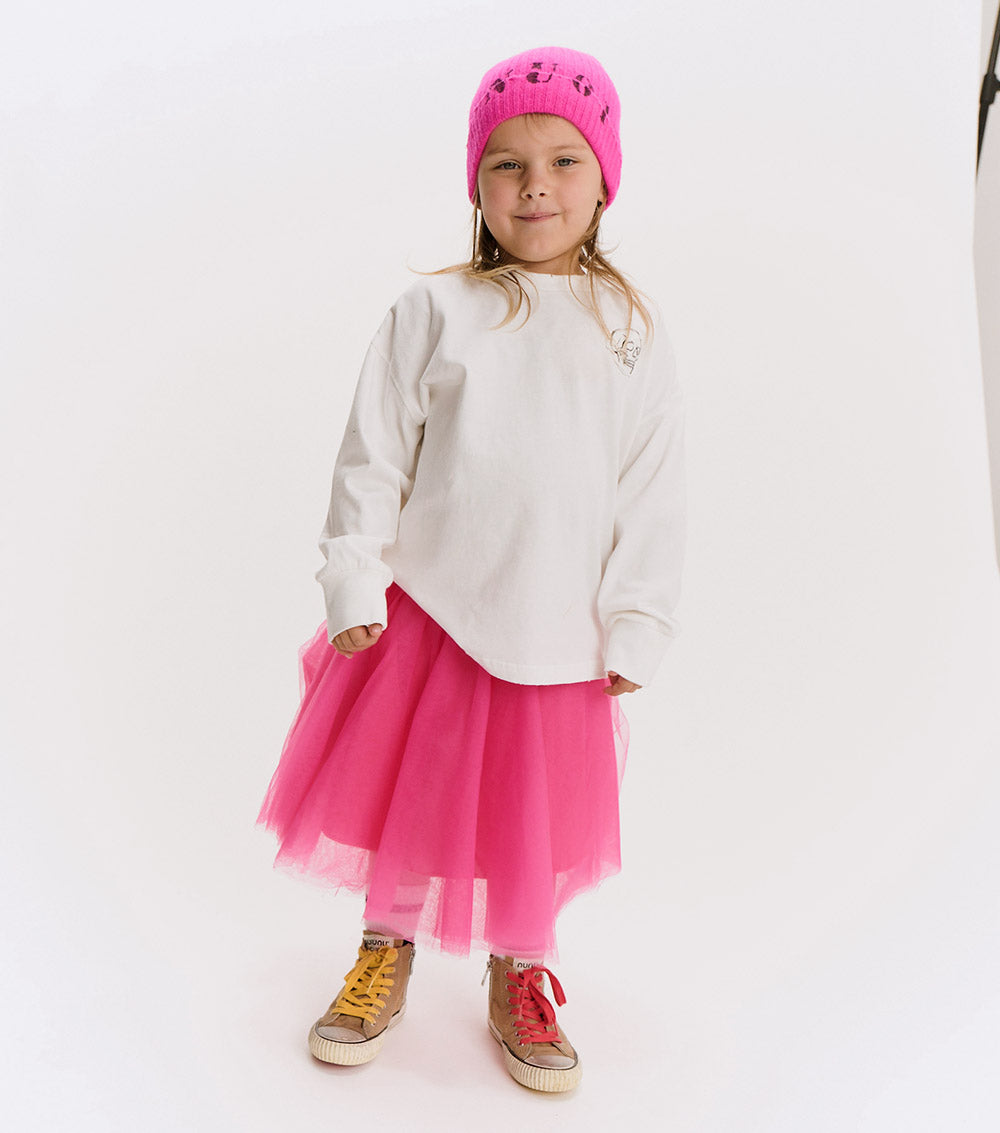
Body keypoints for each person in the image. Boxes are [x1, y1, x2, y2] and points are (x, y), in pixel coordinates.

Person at [256, 45, 686, 1093]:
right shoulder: (434, 312)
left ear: (604, 178)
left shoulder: (630, 330)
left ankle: (520, 966)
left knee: (525, 816)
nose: (535, 185)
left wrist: (637, 620)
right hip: (435, 611)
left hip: (558, 628)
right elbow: (371, 456)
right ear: (476, 182)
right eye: (507, 163)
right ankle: (385, 945)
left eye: (563, 161)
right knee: (418, 788)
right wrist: (353, 578)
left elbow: (651, 486)